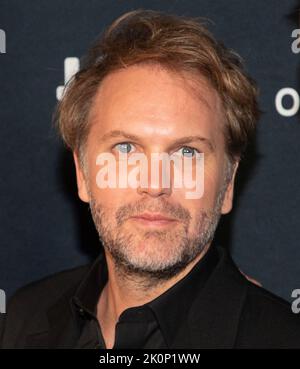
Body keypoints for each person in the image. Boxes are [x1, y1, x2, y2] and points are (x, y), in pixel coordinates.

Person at [1, 9, 300, 349]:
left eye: (187, 152)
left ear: (228, 182)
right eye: (126, 148)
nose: (156, 183)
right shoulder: (23, 319)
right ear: (83, 173)